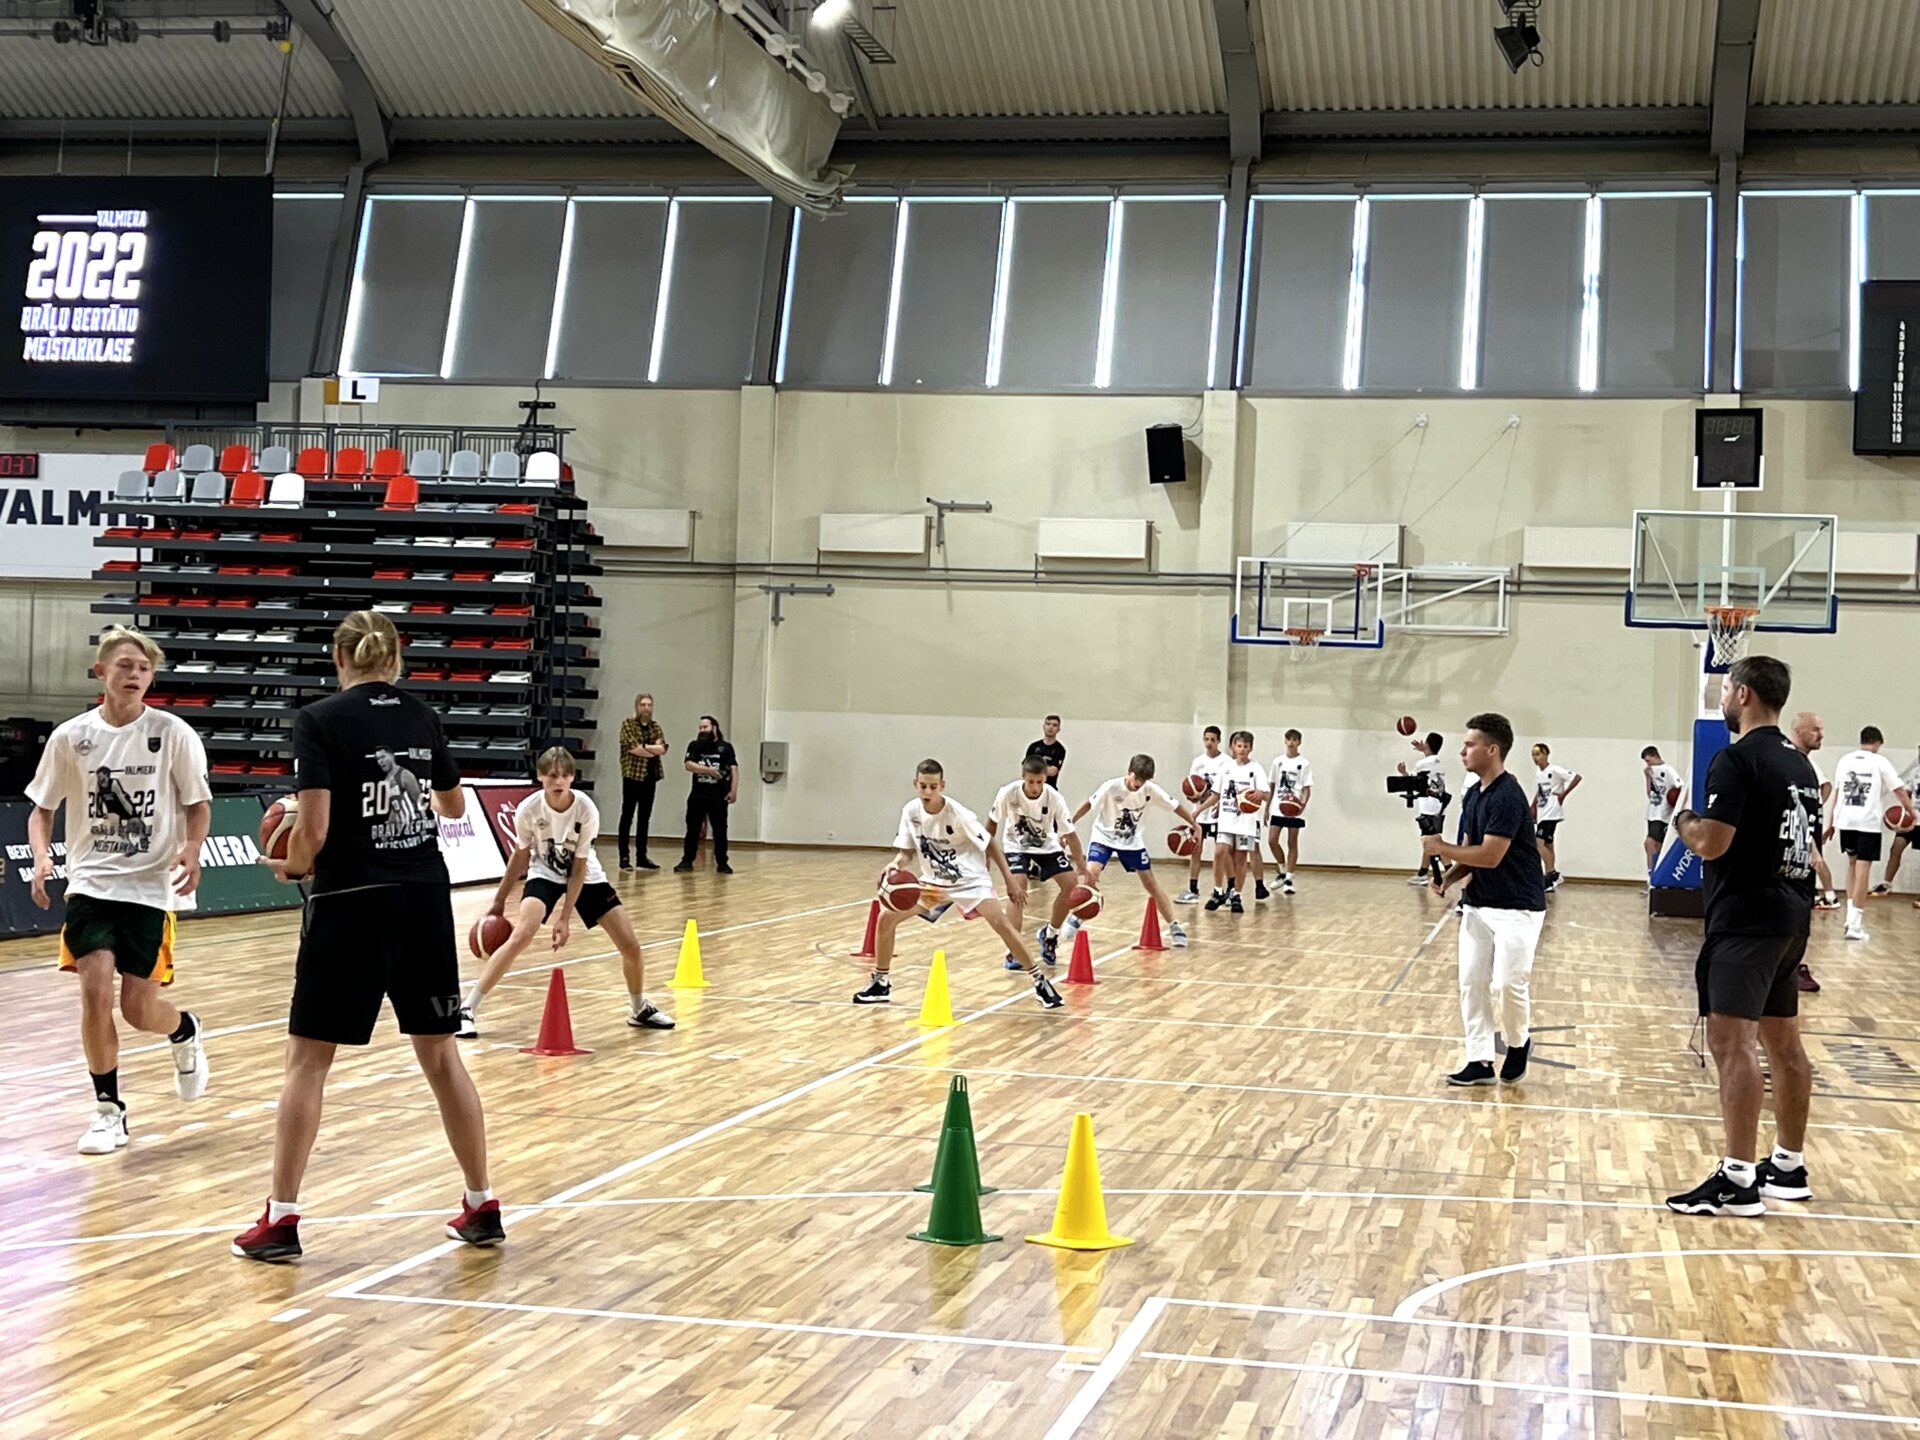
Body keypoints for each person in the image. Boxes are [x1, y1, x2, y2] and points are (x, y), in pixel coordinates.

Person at [234, 611, 500, 1261]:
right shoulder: (422, 717)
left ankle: (282, 1219)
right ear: (395, 658)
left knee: (308, 1061)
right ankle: (481, 1204)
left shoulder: (319, 719)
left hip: (352, 899)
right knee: (442, 1057)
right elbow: (455, 806)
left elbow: (314, 832)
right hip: (424, 897)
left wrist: (291, 863)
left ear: (339, 657)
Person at [26, 626, 213, 1156]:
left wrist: (192, 848)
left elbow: (198, 804)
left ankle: (184, 1029)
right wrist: (41, 857)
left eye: (144, 668)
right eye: (125, 665)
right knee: (94, 992)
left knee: (137, 1010)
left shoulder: (172, 733)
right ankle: (109, 1111)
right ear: (101, 672)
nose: (134, 675)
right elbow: (42, 809)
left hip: (152, 886)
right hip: (90, 882)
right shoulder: (71, 737)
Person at [1664, 655, 1820, 1218]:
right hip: (1790, 920)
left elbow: (1712, 842)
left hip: (1746, 921)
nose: (1724, 699)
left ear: (1746, 694)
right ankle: (1788, 1166)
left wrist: (1683, 821)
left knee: (1733, 1047)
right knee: (1785, 1046)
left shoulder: (1736, 759)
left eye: (1727, 689)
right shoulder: (1799, 764)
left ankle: (1737, 1178)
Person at [456, 746, 673, 1038]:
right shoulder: (528, 809)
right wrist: (498, 902)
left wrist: (565, 918)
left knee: (631, 947)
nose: (558, 781)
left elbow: (579, 869)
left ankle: (639, 1008)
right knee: (521, 935)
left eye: (564, 776)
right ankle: (467, 1008)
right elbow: (520, 856)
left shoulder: (586, 809)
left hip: (586, 877)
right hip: (544, 872)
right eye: (552, 776)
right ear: (540, 777)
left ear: (572, 777)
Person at [853, 759, 1062, 1010]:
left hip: (971, 881)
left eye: (933, 787)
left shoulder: (957, 813)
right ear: (915, 784)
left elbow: (990, 843)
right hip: (935, 884)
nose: (928, 791)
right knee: (886, 918)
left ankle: (1040, 981)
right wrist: (896, 864)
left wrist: (1010, 881)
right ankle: (881, 982)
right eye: (923, 786)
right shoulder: (911, 811)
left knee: (1002, 924)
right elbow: (906, 852)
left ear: (942, 785)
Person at [1423, 714, 1547, 1088]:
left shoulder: (1508, 796)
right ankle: (1479, 1059)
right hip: (1478, 904)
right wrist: (1449, 877)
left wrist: (1440, 847)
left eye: (1470, 744)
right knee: (1472, 983)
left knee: (1507, 984)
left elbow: (1490, 856)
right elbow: (1471, 851)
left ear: (1492, 750)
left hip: (1518, 907)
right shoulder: (1474, 795)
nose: (1462, 751)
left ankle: (1518, 1043)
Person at [1066, 755, 1195, 946]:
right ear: (1129, 772)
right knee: (1091, 875)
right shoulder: (1111, 787)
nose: (1139, 784)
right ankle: (1077, 917)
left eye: (1143, 780)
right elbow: (1089, 804)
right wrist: (1070, 824)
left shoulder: (1150, 790)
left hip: (1131, 841)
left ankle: (1174, 926)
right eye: (1137, 778)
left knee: (1150, 883)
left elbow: (1175, 805)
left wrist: (1194, 823)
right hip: (1103, 837)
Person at [988, 755, 1092, 969]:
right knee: (1018, 887)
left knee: (1071, 885)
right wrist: (985, 856)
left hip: (1046, 846)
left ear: (1045, 778)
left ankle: (1050, 935)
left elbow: (1070, 835)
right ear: (1023, 777)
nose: (1035, 787)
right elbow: (992, 823)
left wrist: (1082, 867)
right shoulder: (1007, 793)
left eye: (1039, 782)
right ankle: (1014, 950)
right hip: (1016, 846)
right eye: (1031, 782)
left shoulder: (1054, 798)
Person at [1828, 725, 1913, 942]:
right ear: (1877, 743)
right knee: (1863, 867)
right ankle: (1855, 924)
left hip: (1845, 819)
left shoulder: (1845, 760)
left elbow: (1837, 793)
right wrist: (1912, 812)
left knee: (1852, 864)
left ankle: (1849, 918)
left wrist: (1831, 823)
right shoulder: (1879, 761)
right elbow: (1899, 790)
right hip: (1867, 822)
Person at [1788, 711, 1837, 995]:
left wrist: (1819, 806)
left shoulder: (1809, 765)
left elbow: (1824, 787)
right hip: (1792, 853)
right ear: (1798, 731)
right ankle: (1787, 968)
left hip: (1807, 846)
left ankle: (1794, 965)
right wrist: (1812, 846)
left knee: (1801, 913)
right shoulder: (1787, 761)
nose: (1821, 735)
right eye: (1815, 730)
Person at [1205, 731, 1267, 914]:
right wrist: (1200, 810)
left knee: (1240, 858)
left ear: (1251, 748)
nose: (1242, 749)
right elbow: (1216, 794)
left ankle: (1236, 895)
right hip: (1226, 819)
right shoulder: (1225, 768)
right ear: (1233, 747)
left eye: (1246, 746)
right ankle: (1218, 890)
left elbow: (1266, 794)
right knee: (1219, 852)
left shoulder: (1256, 769)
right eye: (1239, 746)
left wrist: (1260, 794)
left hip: (1246, 821)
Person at [676, 715, 738, 874]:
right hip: (698, 795)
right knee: (693, 829)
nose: (702, 730)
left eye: (705, 727)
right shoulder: (694, 745)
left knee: (720, 830)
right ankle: (687, 860)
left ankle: (722, 862)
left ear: (714, 728)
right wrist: (708, 770)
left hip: (718, 796)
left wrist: (733, 790)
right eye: (700, 728)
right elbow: (689, 765)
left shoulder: (725, 747)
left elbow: (734, 769)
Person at [617, 692, 667, 871]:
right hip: (633, 776)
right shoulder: (628, 724)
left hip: (650, 776)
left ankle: (642, 857)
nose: (646, 708)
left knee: (644, 818)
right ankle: (624, 857)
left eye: (649, 705)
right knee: (627, 816)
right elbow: (633, 748)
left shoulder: (655, 727)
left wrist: (645, 747)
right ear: (637, 706)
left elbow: (663, 748)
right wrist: (651, 749)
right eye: (643, 705)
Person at [1175, 725, 1225, 905]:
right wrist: (1192, 796)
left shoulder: (1226, 762)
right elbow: (1191, 788)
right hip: (1200, 814)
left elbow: (1226, 789)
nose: (1209, 743)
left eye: (1213, 740)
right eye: (1206, 739)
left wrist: (1217, 801)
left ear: (1219, 741)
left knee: (1222, 853)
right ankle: (1193, 890)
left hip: (1219, 814)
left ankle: (1224, 889)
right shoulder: (1197, 762)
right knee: (1196, 850)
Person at [1396, 732, 1449, 887]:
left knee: (1433, 841)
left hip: (1429, 806)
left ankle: (1450, 870)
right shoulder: (1437, 761)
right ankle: (1422, 873)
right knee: (1429, 840)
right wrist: (1425, 750)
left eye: (1425, 742)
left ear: (1428, 744)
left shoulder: (1423, 764)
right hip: (1438, 804)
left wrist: (1404, 774)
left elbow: (1415, 782)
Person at [1529, 742, 1582, 892]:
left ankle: (1550, 874)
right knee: (1548, 844)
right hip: (1542, 812)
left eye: (1538, 754)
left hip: (1551, 812)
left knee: (1539, 842)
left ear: (1546, 754)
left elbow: (1577, 777)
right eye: (1533, 755)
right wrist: (1533, 807)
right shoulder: (1539, 773)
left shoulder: (1554, 770)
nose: (1535, 758)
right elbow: (1539, 791)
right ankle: (1552, 875)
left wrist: (1563, 794)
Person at [1267, 729, 1312, 897]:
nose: (1292, 742)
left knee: (1292, 843)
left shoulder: (1304, 763)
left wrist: (1302, 805)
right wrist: (1267, 808)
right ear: (1285, 741)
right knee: (1272, 840)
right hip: (1278, 806)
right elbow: (1272, 786)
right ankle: (1282, 870)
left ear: (1299, 742)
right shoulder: (1277, 761)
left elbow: (1307, 788)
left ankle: (1289, 879)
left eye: (1295, 740)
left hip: (1294, 807)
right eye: (1289, 739)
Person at [1871, 745, 1920, 897]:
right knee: (1896, 849)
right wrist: (1903, 815)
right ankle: (1886, 884)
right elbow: (1907, 794)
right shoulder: (1915, 772)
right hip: (1913, 820)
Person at [1641, 745, 1685, 875]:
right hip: (1652, 813)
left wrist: (1676, 805)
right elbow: (1650, 794)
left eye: (1649, 760)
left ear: (1656, 756)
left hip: (1663, 815)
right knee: (1657, 845)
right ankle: (1657, 873)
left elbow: (1681, 787)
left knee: (1649, 843)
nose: (1648, 764)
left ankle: (1653, 873)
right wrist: (1647, 777)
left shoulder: (1668, 770)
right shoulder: (1650, 771)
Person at [1025, 715, 1066, 789]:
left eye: (1054, 725)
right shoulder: (1033, 746)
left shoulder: (1060, 749)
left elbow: (1053, 772)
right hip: (1030, 787)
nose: (1051, 727)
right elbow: (1026, 768)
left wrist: (1034, 768)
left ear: (1058, 729)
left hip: (1049, 787)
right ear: (1043, 727)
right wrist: (1045, 769)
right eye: (1048, 724)